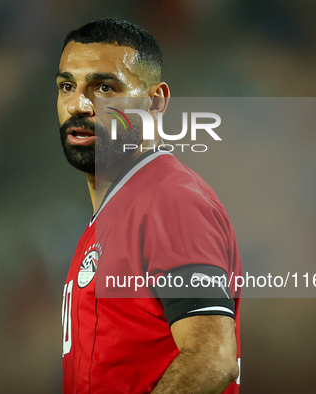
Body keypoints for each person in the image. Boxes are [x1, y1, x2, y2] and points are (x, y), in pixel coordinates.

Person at [57, 18, 242, 393]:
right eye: (67, 86)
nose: (78, 104)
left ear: (154, 101)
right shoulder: (114, 213)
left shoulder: (169, 200)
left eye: (104, 87)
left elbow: (213, 355)